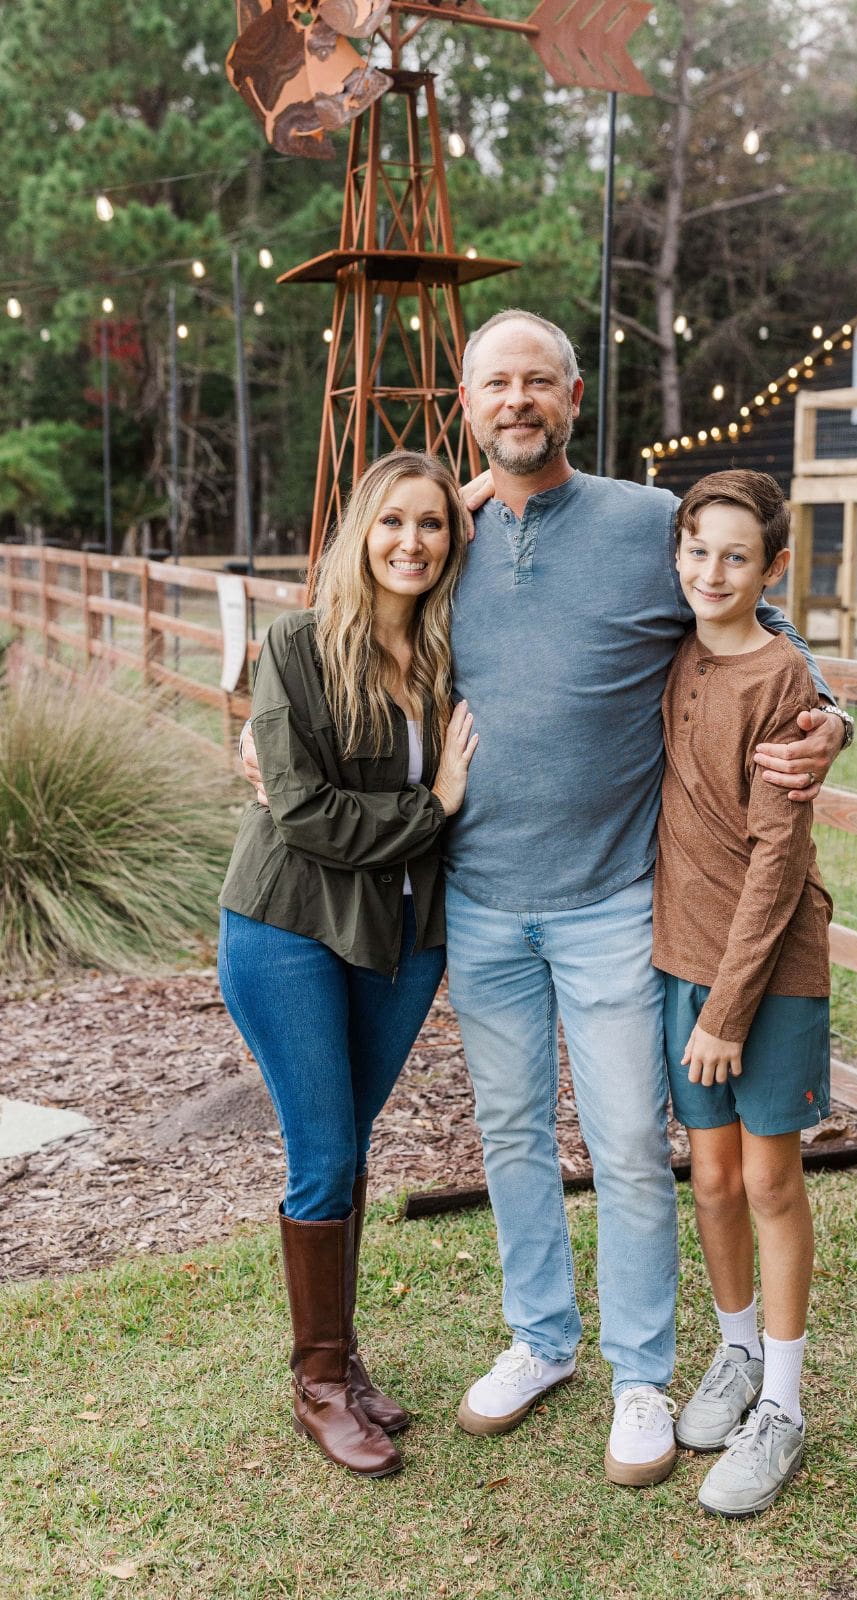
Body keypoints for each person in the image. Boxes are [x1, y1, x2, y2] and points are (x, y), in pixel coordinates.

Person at [248, 309, 849, 1487]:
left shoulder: (640, 526)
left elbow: (753, 624)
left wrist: (829, 712)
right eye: (493, 385)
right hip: (477, 900)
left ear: (574, 397)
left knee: (628, 1139)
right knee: (513, 1135)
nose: (515, 401)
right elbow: (344, 628)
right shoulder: (445, 532)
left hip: (612, 901)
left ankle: (640, 1370)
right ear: (464, 406)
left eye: (538, 382)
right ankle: (542, 1339)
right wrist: (264, 744)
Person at [218, 450, 478, 1478]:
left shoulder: (452, 655)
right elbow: (306, 813)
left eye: (432, 525)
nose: (411, 542)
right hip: (289, 926)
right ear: (359, 534)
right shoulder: (296, 648)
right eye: (392, 523)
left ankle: (344, 1356)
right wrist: (434, 804)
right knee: (324, 1152)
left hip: (403, 936)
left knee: (349, 1144)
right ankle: (317, 1384)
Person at [647, 470, 832, 1517]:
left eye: (733, 556)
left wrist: (726, 1008)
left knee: (767, 1180)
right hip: (679, 955)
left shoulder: (784, 682)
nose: (709, 572)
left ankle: (785, 1405)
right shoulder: (676, 650)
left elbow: (775, 858)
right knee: (709, 1176)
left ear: (771, 568)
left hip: (765, 976)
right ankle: (733, 1353)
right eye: (695, 549)